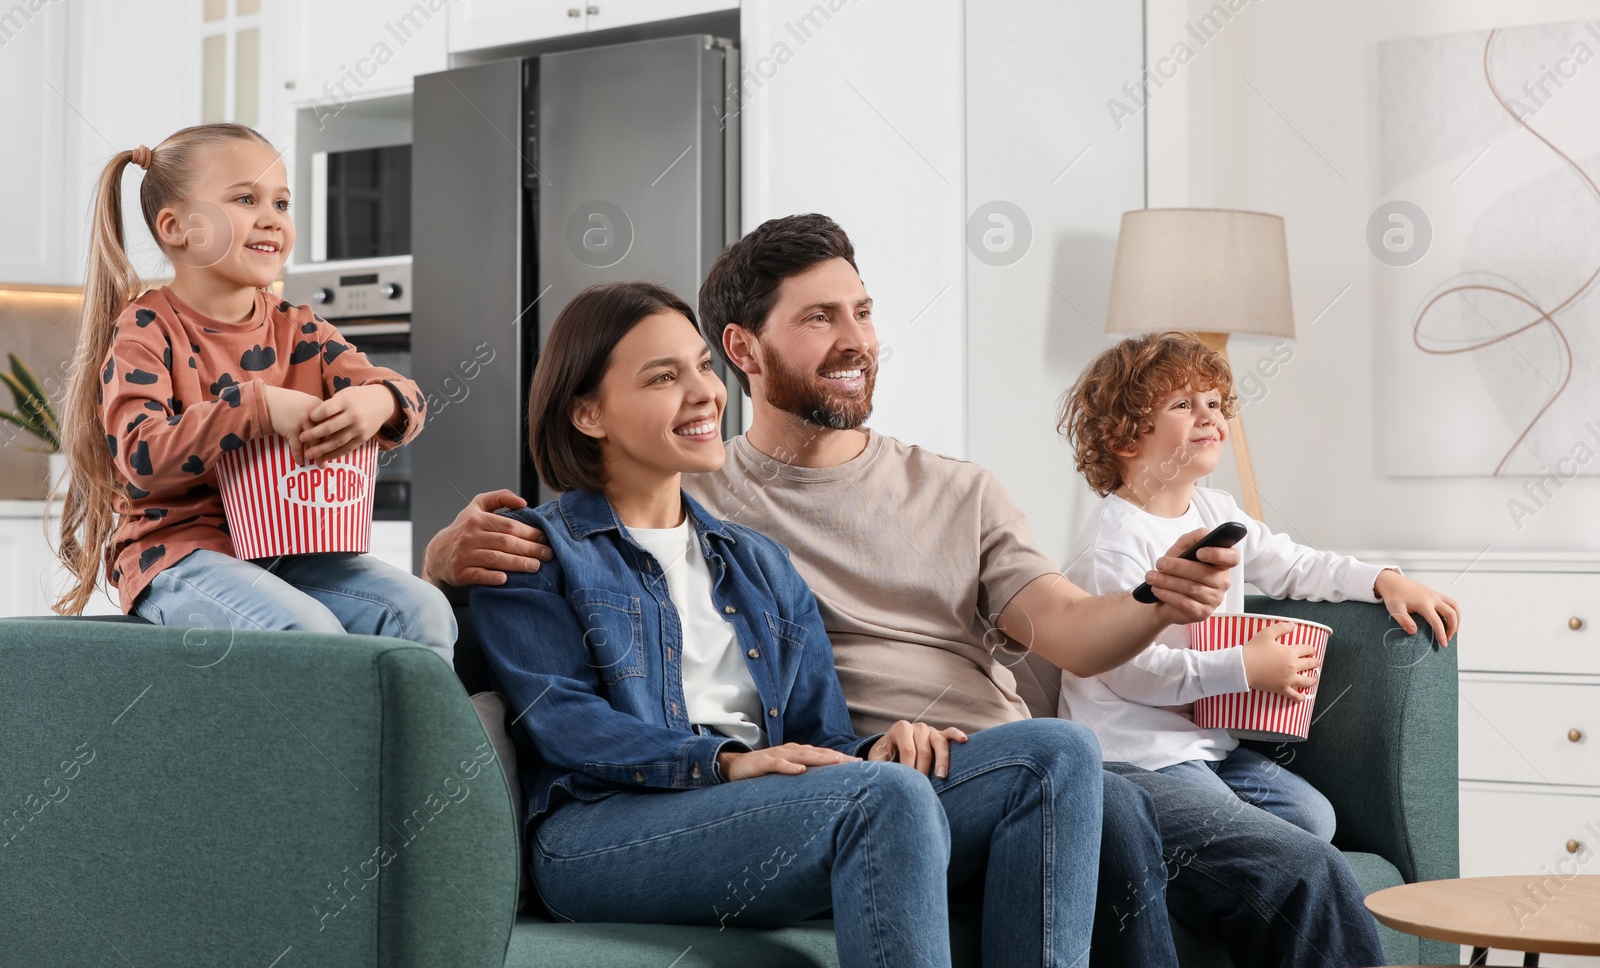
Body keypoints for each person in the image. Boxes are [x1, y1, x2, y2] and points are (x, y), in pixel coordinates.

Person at [430, 214, 1388, 968]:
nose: (857, 339)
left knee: (1085, 767)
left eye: (864, 311)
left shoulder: (808, 538)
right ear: (747, 349)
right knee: (1093, 808)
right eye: (820, 317)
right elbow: (554, 691)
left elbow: (1059, 632)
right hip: (694, 803)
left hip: (964, 762)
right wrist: (439, 563)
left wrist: (1151, 600)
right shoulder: (616, 515)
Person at [469, 280, 1103, 968]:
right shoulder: (531, 548)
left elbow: (818, 734)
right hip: (603, 829)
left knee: (1056, 754)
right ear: (588, 413)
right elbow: (561, 719)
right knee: (883, 800)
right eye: (663, 376)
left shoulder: (758, 562)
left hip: (769, 806)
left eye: (704, 366)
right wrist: (726, 762)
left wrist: (879, 746)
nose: (705, 392)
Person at [52, 123, 455, 665]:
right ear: (177, 228)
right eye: (245, 198)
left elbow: (406, 395)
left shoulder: (301, 329)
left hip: (290, 549)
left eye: (282, 202)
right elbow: (142, 456)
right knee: (305, 631)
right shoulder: (146, 328)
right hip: (177, 555)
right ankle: (329, 752)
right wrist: (256, 407)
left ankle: (422, 751)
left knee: (423, 611)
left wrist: (379, 400)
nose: (272, 217)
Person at [1055, 331, 1461, 840]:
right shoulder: (1110, 544)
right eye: (1183, 404)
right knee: (1239, 835)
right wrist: (1244, 669)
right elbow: (1131, 675)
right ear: (1125, 437)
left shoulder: (1216, 510)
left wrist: (1380, 580)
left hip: (1210, 747)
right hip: (1138, 755)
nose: (1210, 416)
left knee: (1315, 820)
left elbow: (1292, 565)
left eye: (1214, 403)